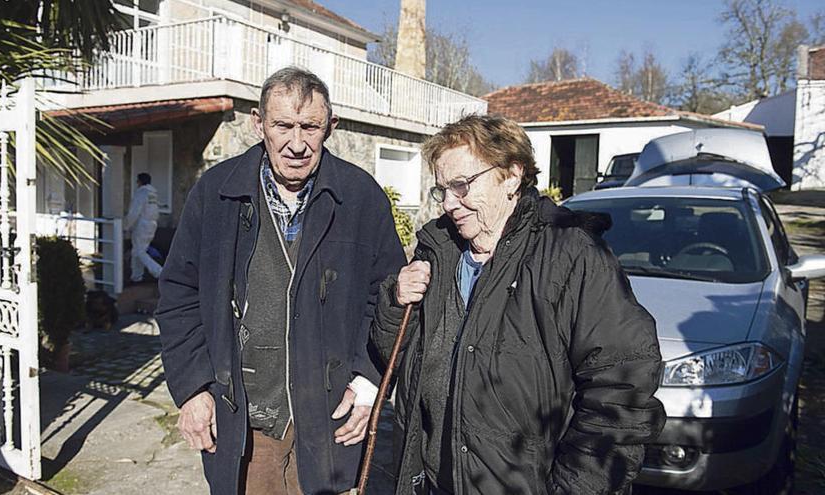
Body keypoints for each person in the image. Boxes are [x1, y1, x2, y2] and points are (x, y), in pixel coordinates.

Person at [371, 114, 666, 494]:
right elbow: (393, 362)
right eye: (441, 189)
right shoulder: (438, 253)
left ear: (511, 176)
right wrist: (397, 304)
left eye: (461, 186)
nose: (448, 204)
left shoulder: (570, 255)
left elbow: (620, 390)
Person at [155, 67, 405, 495]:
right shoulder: (215, 194)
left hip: (330, 419)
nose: (296, 143)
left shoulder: (361, 197)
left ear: (331, 127)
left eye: (310, 127)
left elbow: (388, 299)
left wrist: (368, 384)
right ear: (259, 123)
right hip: (247, 420)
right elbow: (179, 295)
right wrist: (194, 388)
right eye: (283, 126)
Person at [125, 172, 162, 282]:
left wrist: (126, 226)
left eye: (137, 181)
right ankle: (137, 276)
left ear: (140, 181)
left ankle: (159, 272)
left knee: (139, 251)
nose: (136, 183)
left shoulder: (141, 193)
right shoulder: (153, 194)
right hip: (152, 224)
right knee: (138, 251)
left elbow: (134, 212)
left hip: (142, 225)